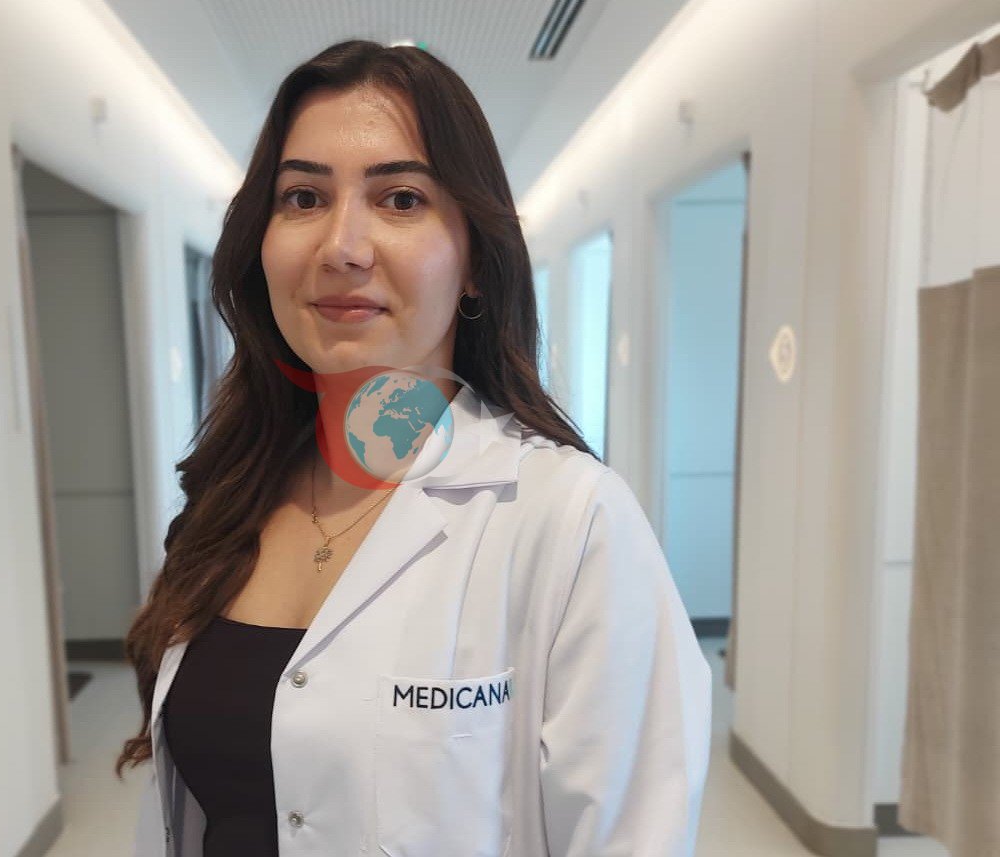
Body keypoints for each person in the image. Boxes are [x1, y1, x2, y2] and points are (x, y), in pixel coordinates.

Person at [120, 39, 712, 857]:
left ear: (474, 262)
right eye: (303, 197)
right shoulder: (229, 499)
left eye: (400, 198)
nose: (342, 246)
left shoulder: (570, 520)